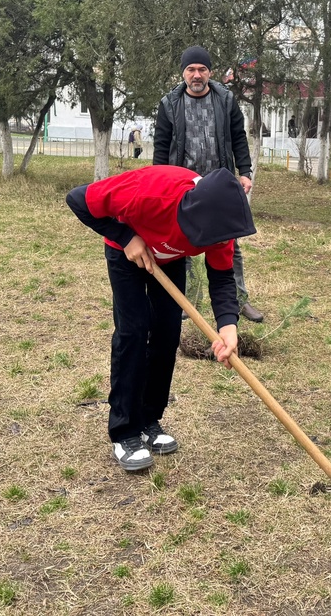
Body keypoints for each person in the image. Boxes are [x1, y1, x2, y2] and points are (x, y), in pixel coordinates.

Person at [67, 166, 255, 471]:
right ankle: (124, 430)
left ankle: (148, 419)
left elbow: (221, 278)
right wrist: (125, 236)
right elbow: (76, 199)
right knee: (134, 331)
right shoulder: (148, 192)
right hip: (126, 250)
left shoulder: (221, 222)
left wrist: (228, 327)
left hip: (169, 259)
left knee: (167, 333)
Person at [154, 46, 264, 322]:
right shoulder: (169, 104)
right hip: (184, 185)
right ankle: (188, 303)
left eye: (202, 69)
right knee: (184, 244)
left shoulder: (226, 100)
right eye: (191, 69)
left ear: (210, 72)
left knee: (229, 244)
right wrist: (159, 182)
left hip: (220, 185)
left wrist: (245, 172)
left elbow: (238, 138)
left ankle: (239, 300)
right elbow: (161, 147)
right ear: (183, 73)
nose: (196, 74)